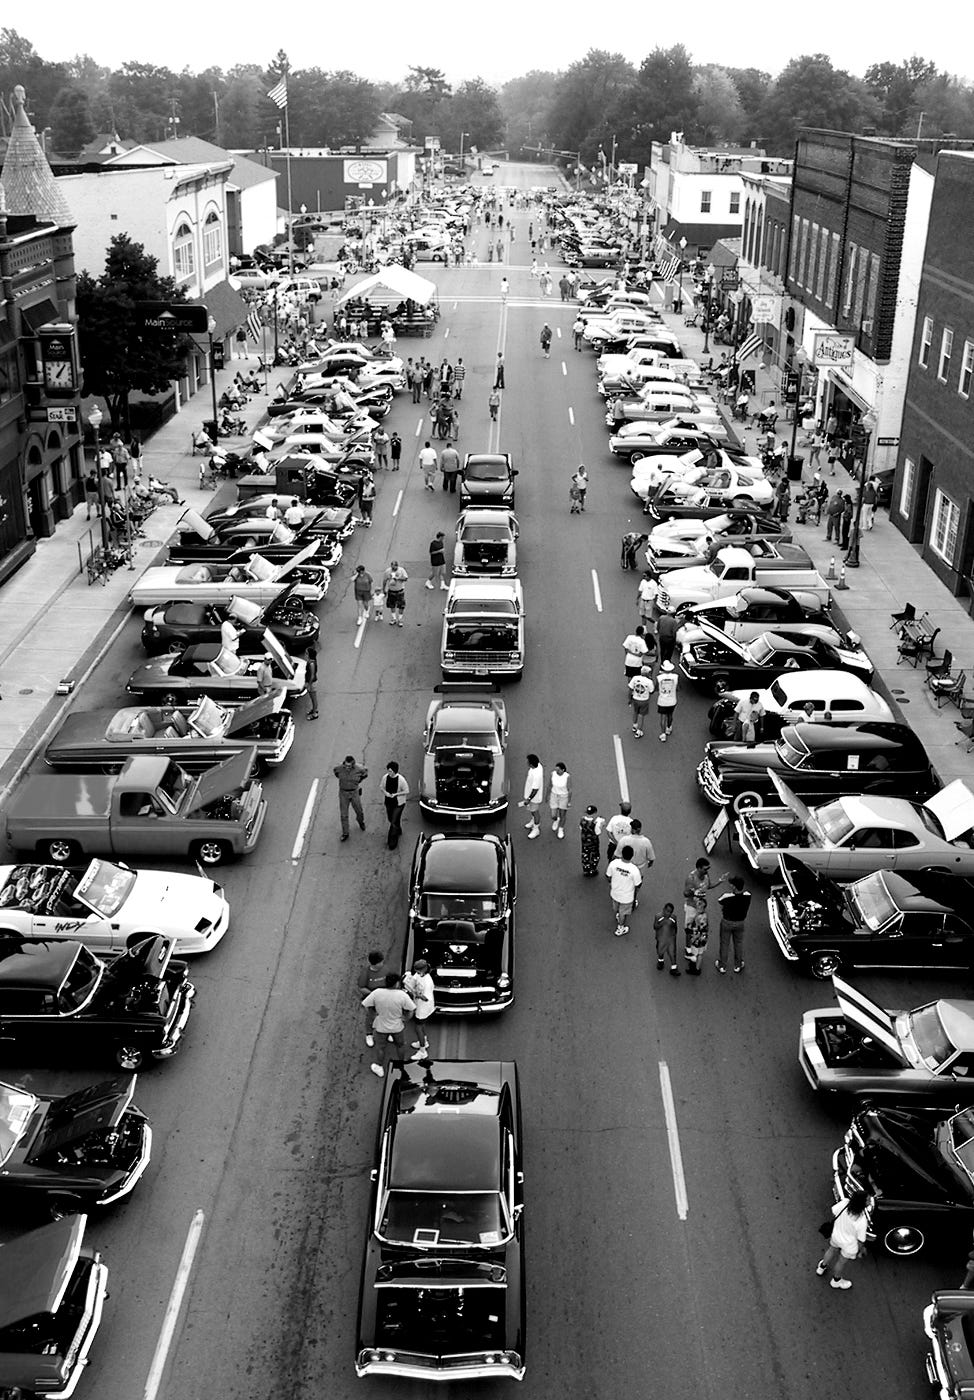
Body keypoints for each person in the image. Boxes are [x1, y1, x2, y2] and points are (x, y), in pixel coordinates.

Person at [361, 973, 416, 1077]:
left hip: (381, 1026)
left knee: (381, 1047)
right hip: (397, 1027)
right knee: (400, 1045)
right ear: (396, 983)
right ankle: (401, 1064)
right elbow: (412, 1009)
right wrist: (406, 1018)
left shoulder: (377, 993)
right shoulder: (402, 995)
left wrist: (374, 1014)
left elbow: (366, 1005)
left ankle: (379, 1067)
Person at [816, 1190, 873, 1289]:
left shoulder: (844, 1203)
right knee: (841, 1262)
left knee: (831, 1250)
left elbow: (834, 1211)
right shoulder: (861, 1220)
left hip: (836, 1236)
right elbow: (861, 1240)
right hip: (849, 1246)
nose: (870, 1201)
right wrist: (860, 1251)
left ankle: (821, 1267)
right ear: (862, 1204)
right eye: (867, 1200)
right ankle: (836, 1280)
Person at [716, 875, 752, 974]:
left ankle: (722, 965)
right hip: (740, 923)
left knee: (724, 944)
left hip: (727, 922)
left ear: (734, 887)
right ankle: (738, 965)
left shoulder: (727, 896)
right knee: (738, 943)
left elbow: (720, 901)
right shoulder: (748, 895)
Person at [606, 843, 642, 936]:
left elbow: (608, 876)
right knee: (623, 913)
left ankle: (618, 915)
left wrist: (611, 883)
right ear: (632, 856)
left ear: (622, 853)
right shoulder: (634, 870)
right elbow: (638, 884)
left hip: (615, 893)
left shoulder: (614, 863)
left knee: (616, 908)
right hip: (627, 897)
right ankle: (620, 927)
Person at [404, 959, 434, 1058]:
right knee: (421, 1025)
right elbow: (414, 979)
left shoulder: (428, 982)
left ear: (424, 969)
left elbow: (426, 998)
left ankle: (422, 1051)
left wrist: (415, 993)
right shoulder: (419, 975)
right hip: (419, 1005)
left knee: (418, 1028)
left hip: (423, 1008)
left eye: (418, 971)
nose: (416, 972)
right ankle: (424, 1041)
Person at [333, 754, 368, 841]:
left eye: (349, 766)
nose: (347, 767)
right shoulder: (339, 768)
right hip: (343, 793)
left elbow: (365, 773)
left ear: (353, 764)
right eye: (346, 765)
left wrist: (358, 781)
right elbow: (336, 773)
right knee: (344, 815)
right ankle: (345, 833)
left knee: (359, 811)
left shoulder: (359, 768)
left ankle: (361, 822)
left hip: (354, 792)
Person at [357, 950, 388, 1049]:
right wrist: (373, 994)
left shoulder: (385, 969)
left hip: (385, 999)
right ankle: (369, 1034)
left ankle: (388, 1032)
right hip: (373, 1001)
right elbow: (361, 988)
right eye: (381, 962)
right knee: (371, 1018)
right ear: (375, 963)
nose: (382, 963)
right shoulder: (366, 973)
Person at [380, 761, 409, 849]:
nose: (389, 773)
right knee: (391, 818)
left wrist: (396, 794)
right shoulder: (385, 777)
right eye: (388, 771)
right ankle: (398, 828)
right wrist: (386, 793)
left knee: (393, 821)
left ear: (395, 771)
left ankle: (392, 841)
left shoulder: (401, 780)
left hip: (398, 803)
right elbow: (381, 787)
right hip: (388, 802)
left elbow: (407, 791)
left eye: (390, 771)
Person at [518, 753, 544, 839]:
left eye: (528, 762)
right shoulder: (537, 766)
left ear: (531, 764)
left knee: (535, 812)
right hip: (530, 795)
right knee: (532, 811)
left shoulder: (537, 775)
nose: (526, 763)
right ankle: (533, 821)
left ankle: (536, 829)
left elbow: (535, 789)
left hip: (534, 798)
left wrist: (529, 799)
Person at [684, 895, 710, 974]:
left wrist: (694, 938)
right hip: (703, 937)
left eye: (699, 904)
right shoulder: (704, 914)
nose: (697, 905)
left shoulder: (699, 917)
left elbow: (699, 929)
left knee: (695, 953)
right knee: (700, 953)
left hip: (697, 938)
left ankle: (693, 968)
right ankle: (698, 969)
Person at [628, 666, 655, 738]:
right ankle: (639, 731)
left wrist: (630, 699)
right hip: (644, 700)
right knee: (641, 715)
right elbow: (651, 691)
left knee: (635, 712)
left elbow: (630, 688)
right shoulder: (649, 681)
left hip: (635, 699)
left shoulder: (635, 678)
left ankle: (634, 726)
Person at [656, 660, 679, 740]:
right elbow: (678, 688)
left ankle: (663, 734)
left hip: (662, 701)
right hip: (672, 700)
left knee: (663, 717)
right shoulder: (675, 677)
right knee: (670, 715)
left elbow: (656, 688)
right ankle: (668, 728)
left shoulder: (659, 678)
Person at [548, 761, 572, 839]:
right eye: (556, 770)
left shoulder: (567, 777)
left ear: (563, 770)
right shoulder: (553, 774)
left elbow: (569, 790)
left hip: (563, 797)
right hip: (554, 795)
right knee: (553, 815)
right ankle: (556, 820)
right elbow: (550, 785)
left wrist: (569, 801)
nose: (556, 771)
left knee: (562, 815)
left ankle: (561, 829)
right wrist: (547, 795)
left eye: (558, 770)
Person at [579, 805, 604, 877]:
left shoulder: (582, 819)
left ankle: (586, 870)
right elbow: (598, 832)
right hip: (593, 843)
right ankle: (592, 870)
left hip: (584, 842)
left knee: (585, 855)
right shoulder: (595, 822)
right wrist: (601, 825)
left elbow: (581, 828)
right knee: (594, 856)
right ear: (594, 813)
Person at [383, 561, 408, 626]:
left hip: (400, 591)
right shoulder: (388, 571)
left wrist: (398, 578)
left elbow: (405, 578)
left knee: (401, 606)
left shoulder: (401, 570)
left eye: (395, 567)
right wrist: (384, 589)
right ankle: (393, 618)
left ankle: (400, 619)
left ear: (397, 566)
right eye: (392, 567)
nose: (393, 568)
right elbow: (385, 580)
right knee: (392, 605)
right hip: (391, 591)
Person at [305, 642, 319, 720]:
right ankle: (313, 710)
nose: (305, 654)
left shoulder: (312, 663)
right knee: (312, 698)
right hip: (311, 683)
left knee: (314, 699)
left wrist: (309, 684)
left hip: (312, 683)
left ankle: (315, 713)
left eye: (307, 653)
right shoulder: (310, 661)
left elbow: (312, 675)